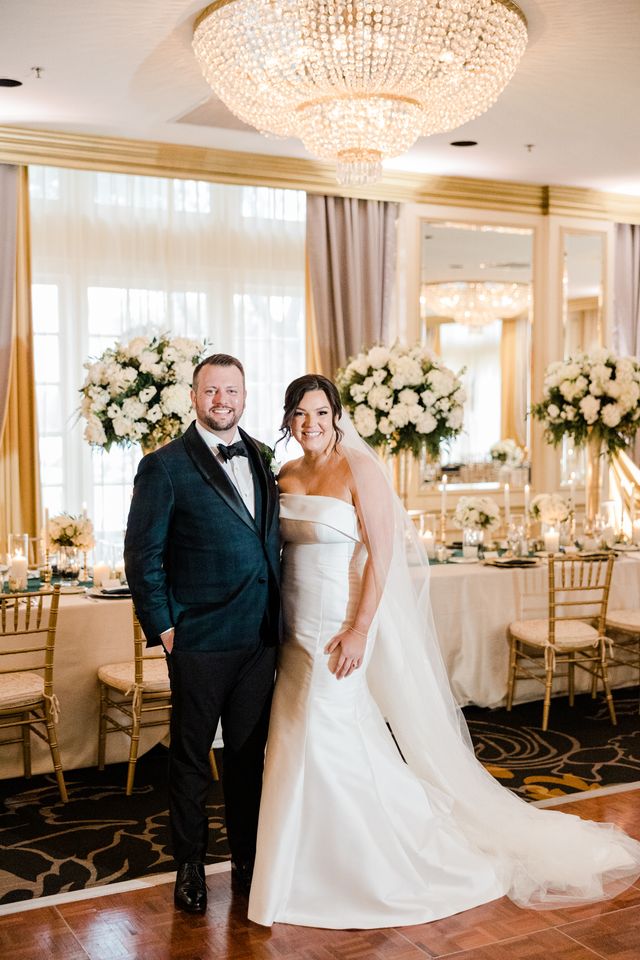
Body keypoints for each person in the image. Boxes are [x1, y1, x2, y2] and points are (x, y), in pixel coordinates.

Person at [248, 373, 640, 929]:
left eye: (319, 412)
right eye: (299, 414)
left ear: (336, 416)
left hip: (339, 625)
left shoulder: (359, 468)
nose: (309, 424)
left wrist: (361, 629)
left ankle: (364, 867)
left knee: (327, 732)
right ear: (288, 419)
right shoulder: (285, 473)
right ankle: (296, 864)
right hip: (293, 631)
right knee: (294, 737)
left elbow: (381, 557)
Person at [124, 353, 280, 915]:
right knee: (191, 761)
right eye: (211, 389)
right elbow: (143, 558)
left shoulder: (263, 457)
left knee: (248, 758)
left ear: (244, 396)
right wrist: (166, 629)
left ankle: (246, 859)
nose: (222, 399)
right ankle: (189, 866)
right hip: (198, 641)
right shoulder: (163, 465)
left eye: (232, 390)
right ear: (193, 396)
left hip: (260, 639)